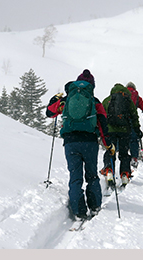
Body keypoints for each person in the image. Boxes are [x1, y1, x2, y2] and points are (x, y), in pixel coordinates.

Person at [46, 69, 115, 221]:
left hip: (71, 143)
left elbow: (49, 113)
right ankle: (95, 205)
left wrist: (54, 99)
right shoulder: (95, 102)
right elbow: (103, 124)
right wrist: (108, 145)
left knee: (75, 176)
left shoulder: (66, 100)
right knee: (91, 175)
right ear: (92, 86)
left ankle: (79, 211)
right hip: (90, 142)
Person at [102, 83, 142, 187]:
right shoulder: (128, 100)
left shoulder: (108, 100)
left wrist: (101, 129)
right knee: (124, 154)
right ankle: (125, 174)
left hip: (110, 130)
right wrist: (137, 129)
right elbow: (134, 116)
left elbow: (101, 114)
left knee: (111, 151)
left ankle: (109, 169)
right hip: (125, 131)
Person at [125, 82, 143, 167]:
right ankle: (134, 158)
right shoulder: (137, 97)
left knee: (122, 138)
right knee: (134, 139)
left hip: (122, 120)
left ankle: (120, 154)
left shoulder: (123, 94)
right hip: (133, 120)